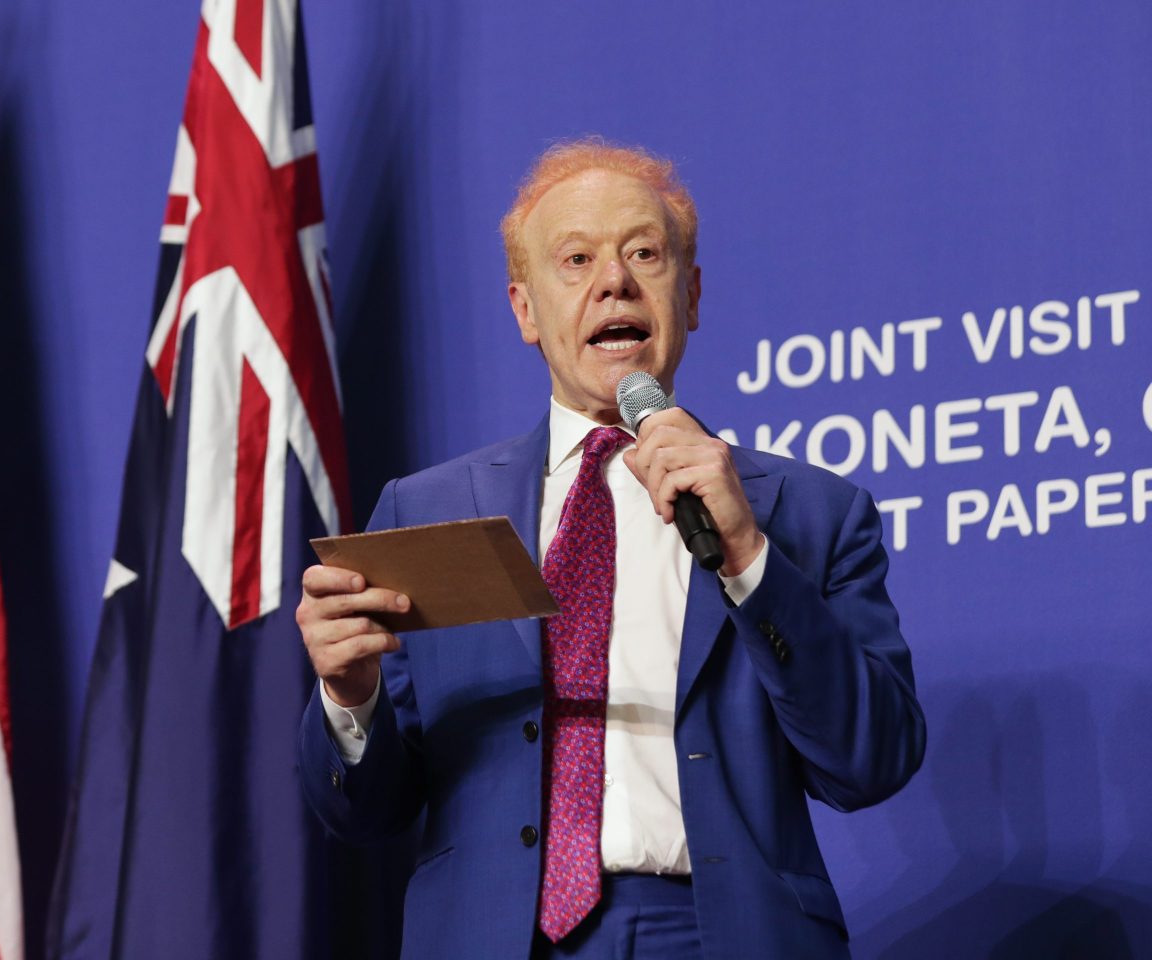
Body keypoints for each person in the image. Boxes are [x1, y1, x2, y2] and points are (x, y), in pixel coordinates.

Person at [297, 138, 925, 960]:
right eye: (576, 258)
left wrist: (746, 555)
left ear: (690, 295)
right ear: (525, 310)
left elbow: (871, 760)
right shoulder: (426, 512)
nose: (614, 281)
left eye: (644, 253)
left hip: (721, 934)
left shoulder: (810, 513)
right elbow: (364, 811)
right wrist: (350, 698)